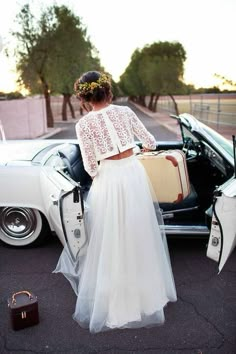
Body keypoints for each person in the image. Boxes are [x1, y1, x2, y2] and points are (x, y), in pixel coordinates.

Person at [53, 70, 177, 333]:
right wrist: (136, 153)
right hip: (132, 175)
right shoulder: (126, 113)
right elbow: (150, 142)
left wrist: (103, 172)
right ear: (108, 91)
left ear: (84, 97)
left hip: (108, 180)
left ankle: (119, 300)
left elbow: (90, 167)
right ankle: (147, 296)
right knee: (138, 233)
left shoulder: (83, 125)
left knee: (112, 238)